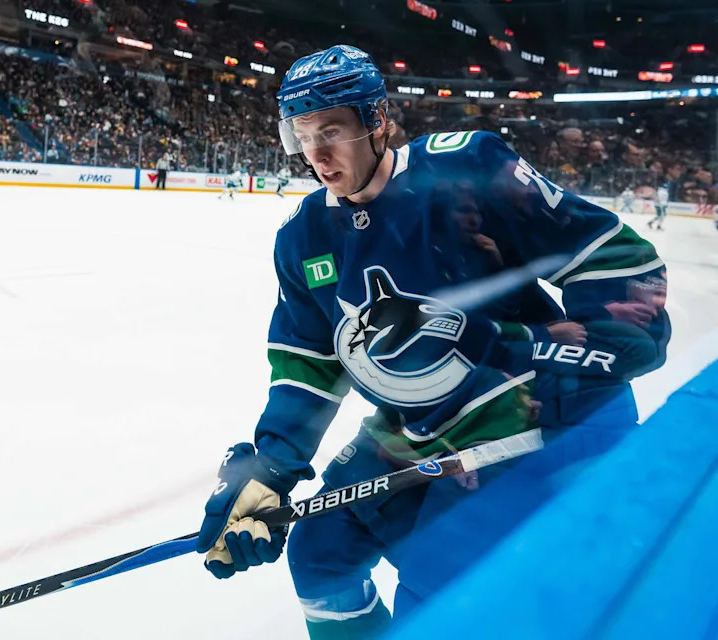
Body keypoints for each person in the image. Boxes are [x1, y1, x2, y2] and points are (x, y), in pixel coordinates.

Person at [195, 44, 670, 639]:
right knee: (319, 555)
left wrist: (582, 347)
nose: (315, 154)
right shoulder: (303, 236)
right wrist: (271, 465)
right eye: (301, 134)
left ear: (376, 120)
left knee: (438, 589)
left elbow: (612, 258)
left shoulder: (464, 170)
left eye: (332, 130)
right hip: (418, 428)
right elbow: (308, 365)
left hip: (531, 413)